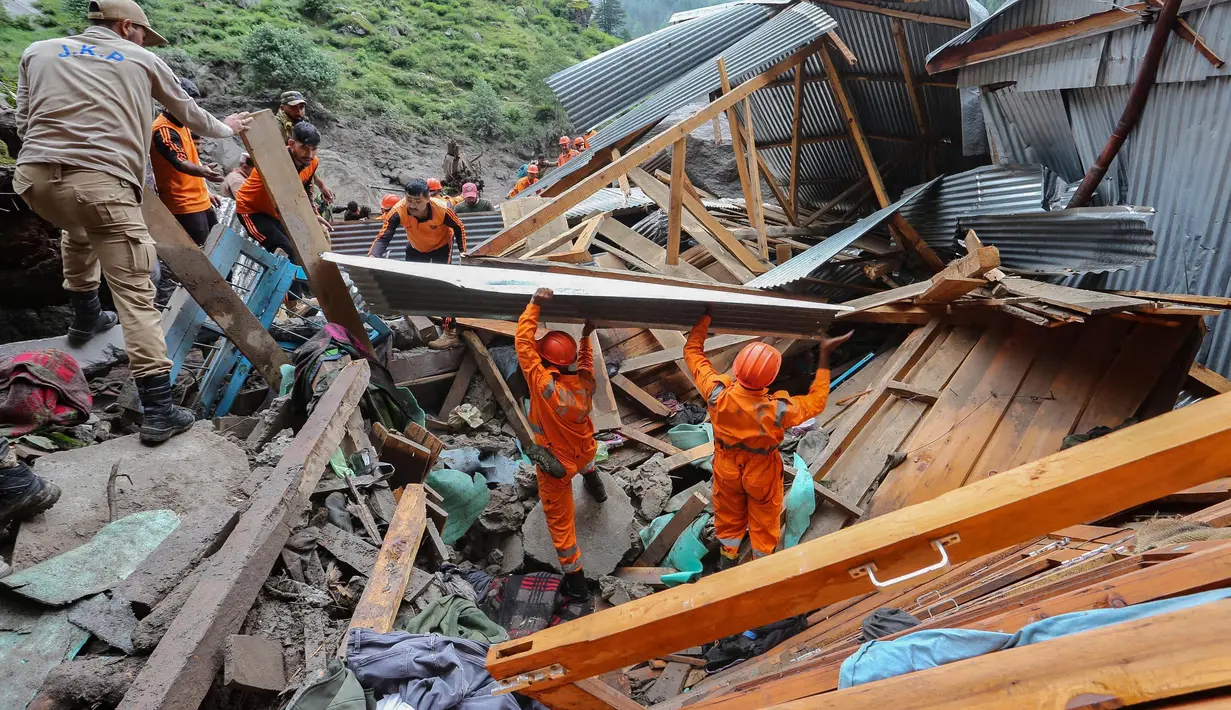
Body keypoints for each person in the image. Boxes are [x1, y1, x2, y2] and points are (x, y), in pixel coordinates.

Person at [14, 0, 250, 448]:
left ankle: (85, 319)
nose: (144, 40)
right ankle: (159, 410)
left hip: (36, 182)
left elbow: (26, 122)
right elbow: (190, 114)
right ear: (127, 27)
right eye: (143, 32)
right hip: (103, 185)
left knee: (77, 225)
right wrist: (228, 128)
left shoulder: (38, 50)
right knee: (136, 294)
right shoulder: (141, 59)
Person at [685, 306, 852, 569]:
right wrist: (824, 357)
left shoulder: (716, 394)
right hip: (761, 471)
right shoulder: (779, 410)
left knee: (728, 511)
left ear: (736, 370)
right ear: (772, 379)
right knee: (764, 516)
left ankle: (727, 559)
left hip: (726, 465)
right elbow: (817, 402)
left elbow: (693, 354)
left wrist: (705, 318)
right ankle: (761, 567)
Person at [516, 287, 604, 601]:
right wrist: (585, 337)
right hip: (584, 452)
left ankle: (577, 585)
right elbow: (587, 366)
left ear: (545, 359)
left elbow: (522, 343)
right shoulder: (585, 385)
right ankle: (596, 486)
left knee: (561, 526)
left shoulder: (542, 385)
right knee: (587, 459)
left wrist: (534, 304)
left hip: (558, 466)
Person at [367, 179, 467, 349]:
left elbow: (459, 227)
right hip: (416, 247)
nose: (412, 205)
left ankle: (450, 333)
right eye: (409, 200)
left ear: (428, 199)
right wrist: (373, 256)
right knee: (412, 284)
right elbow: (384, 236)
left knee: (442, 286)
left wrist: (463, 252)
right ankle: (422, 318)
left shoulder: (442, 209)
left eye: (417, 201)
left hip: (442, 246)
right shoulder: (398, 211)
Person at [235, 121, 332, 263]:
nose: (309, 154)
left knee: (305, 251)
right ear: (292, 143)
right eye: (304, 148)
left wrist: (313, 214)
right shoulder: (274, 160)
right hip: (252, 210)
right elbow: (286, 192)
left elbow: (305, 189)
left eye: (314, 149)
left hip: (279, 212)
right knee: (286, 251)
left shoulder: (313, 162)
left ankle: (305, 286)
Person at [150, 77, 222, 246]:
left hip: (201, 200)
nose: (191, 111)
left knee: (219, 252)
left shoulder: (182, 124)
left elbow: (190, 158)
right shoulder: (163, 130)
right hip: (185, 206)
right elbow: (180, 161)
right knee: (203, 260)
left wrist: (204, 189)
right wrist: (201, 170)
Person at [276, 90, 334, 208]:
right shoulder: (276, 126)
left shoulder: (300, 123)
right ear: (282, 108)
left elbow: (306, 162)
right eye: (293, 108)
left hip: (299, 179)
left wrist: (320, 185)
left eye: (301, 107)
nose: (299, 111)